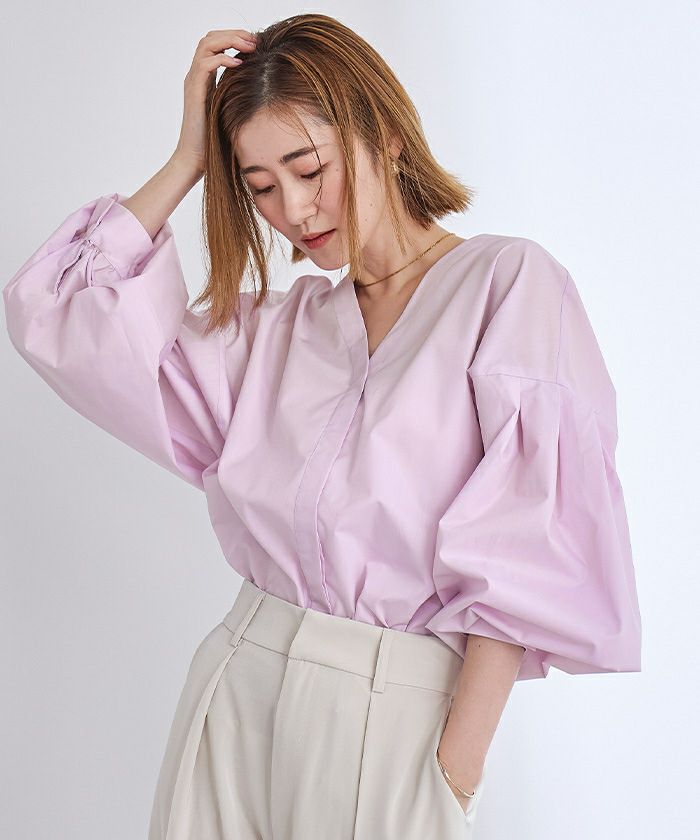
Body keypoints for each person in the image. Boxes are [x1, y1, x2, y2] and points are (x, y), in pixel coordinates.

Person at [2, 12, 642, 840]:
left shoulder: (506, 286)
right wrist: (191, 158)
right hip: (237, 693)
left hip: (394, 716)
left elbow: (531, 542)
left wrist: (454, 768)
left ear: (385, 134)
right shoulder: (272, 332)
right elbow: (56, 313)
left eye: (309, 169)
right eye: (260, 186)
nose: (294, 209)